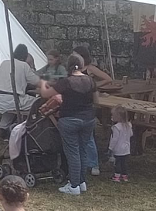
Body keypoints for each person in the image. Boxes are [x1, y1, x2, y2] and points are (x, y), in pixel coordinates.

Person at [40, 53, 98, 196]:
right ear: (82, 65)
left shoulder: (66, 82)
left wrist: (43, 82)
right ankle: (82, 182)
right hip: (88, 119)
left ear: (68, 66)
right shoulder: (90, 81)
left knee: (72, 153)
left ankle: (73, 185)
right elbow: (96, 100)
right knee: (83, 151)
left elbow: (45, 94)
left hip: (69, 119)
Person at [73, 45, 110, 176]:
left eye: (75, 54)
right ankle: (82, 162)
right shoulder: (73, 69)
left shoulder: (90, 68)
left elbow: (108, 79)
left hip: (88, 102)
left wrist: (94, 85)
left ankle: (94, 164)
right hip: (76, 102)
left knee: (88, 137)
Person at [0, 45, 40, 136]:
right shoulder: (24, 65)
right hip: (11, 99)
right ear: (25, 56)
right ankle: (29, 127)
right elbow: (37, 82)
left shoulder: (4, 63)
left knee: (12, 105)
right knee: (38, 102)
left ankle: (3, 127)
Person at [108, 105, 133, 183]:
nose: (112, 117)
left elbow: (114, 139)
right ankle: (124, 176)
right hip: (126, 148)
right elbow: (131, 134)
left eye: (113, 115)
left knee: (117, 163)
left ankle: (117, 176)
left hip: (118, 149)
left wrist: (110, 148)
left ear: (118, 117)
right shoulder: (129, 125)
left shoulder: (116, 127)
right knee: (124, 163)